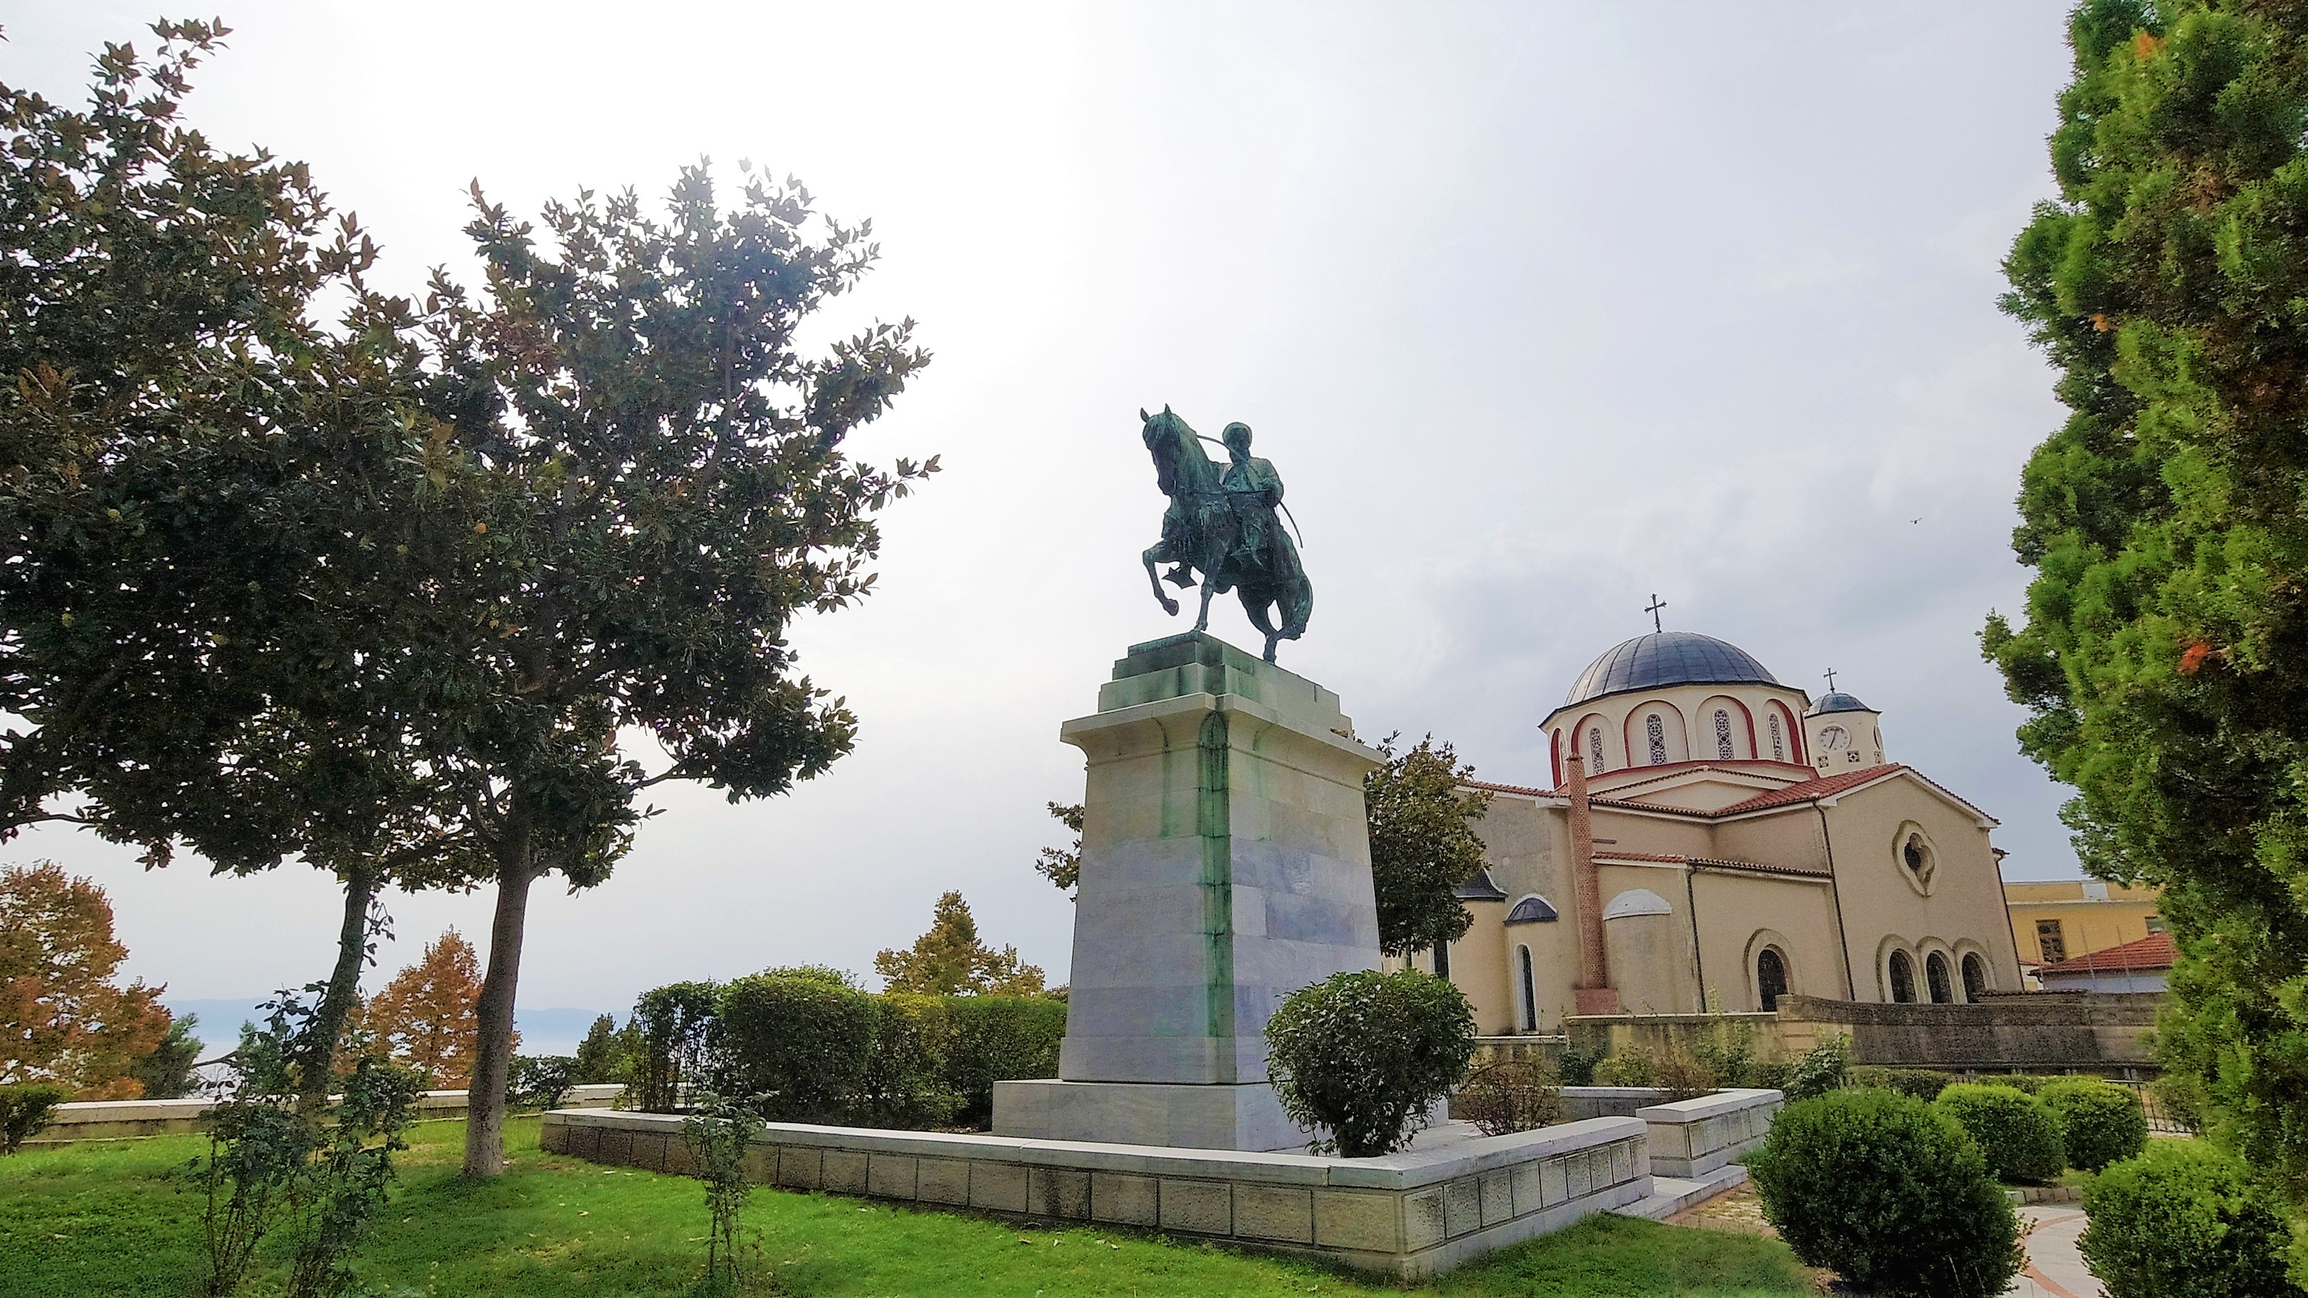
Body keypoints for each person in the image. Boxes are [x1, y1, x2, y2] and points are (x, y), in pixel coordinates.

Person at [1219, 421, 1285, 576]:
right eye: (1233, 442)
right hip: (1228, 509)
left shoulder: (1261, 464)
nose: (1237, 445)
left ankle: (1250, 548)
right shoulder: (1223, 470)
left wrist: (1272, 486)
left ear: (1248, 443)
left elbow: (1276, 484)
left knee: (1250, 508)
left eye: (1241, 441)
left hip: (1254, 506)